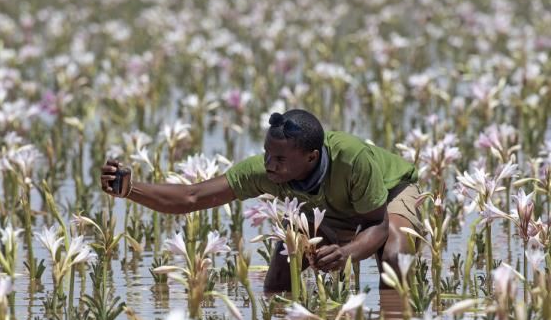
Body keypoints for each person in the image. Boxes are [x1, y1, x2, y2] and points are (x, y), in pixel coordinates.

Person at [100, 109, 421, 291]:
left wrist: (345, 253)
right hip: (332, 211)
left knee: (393, 252)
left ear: (311, 157)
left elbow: (376, 226)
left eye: (280, 159)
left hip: (390, 196)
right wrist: (130, 189)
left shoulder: (353, 159)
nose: (269, 165)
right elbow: (191, 196)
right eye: (267, 153)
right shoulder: (266, 170)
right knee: (283, 262)